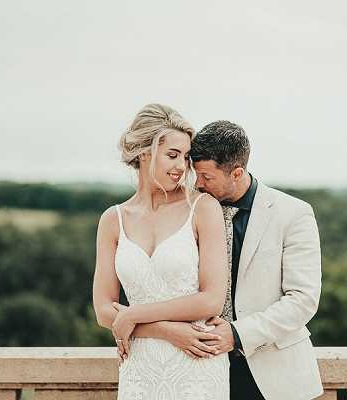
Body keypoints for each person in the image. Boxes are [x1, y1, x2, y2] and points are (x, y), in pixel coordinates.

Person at [120, 120, 324, 400]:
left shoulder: (293, 214)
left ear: (237, 173)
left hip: (271, 372)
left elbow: (303, 299)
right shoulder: (191, 211)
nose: (198, 184)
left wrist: (237, 334)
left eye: (206, 177)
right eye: (196, 174)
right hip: (198, 369)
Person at [92, 104, 230, 399]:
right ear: (144, 153)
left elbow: (211, 299)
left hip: (197, 365)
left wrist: (134, 315)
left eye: (186, 157)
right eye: (172, 155)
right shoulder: (112, 220)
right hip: (139, 371)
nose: (182, 166)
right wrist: (165, 330)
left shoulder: (203, 208)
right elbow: (104, 311)